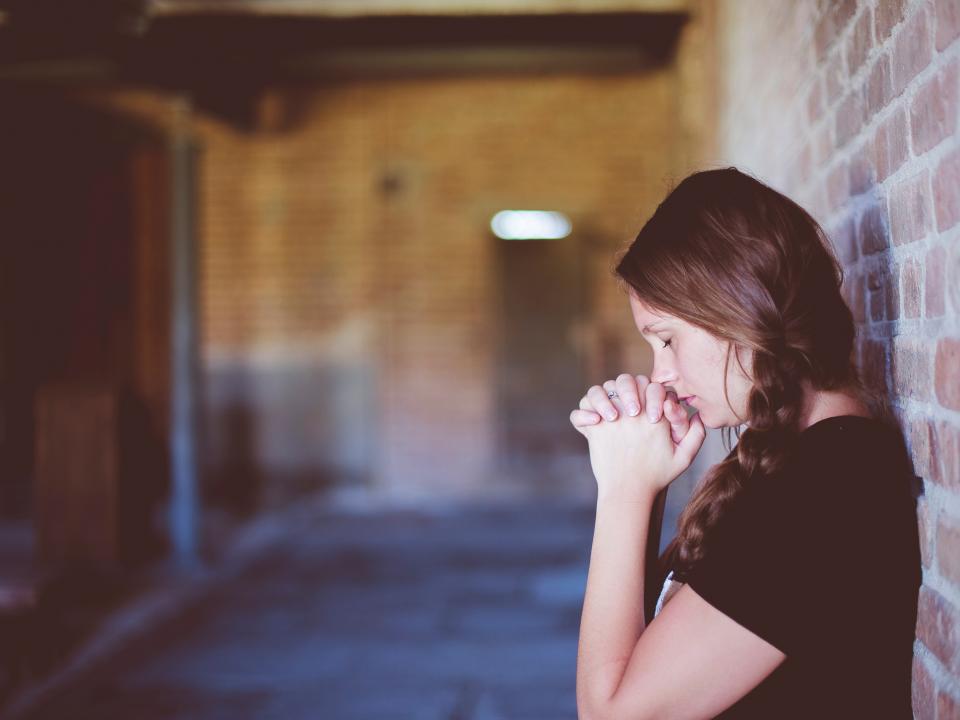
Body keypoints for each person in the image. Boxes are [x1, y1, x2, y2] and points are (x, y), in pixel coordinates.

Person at [569, 167, 921, 719]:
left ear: (739, 311)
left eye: (667, 340)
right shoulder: (793, 458)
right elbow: (644, 656)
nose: (659, 373)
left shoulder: (830, 488)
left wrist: (623, 491)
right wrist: (650, 481)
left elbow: (614, 714)